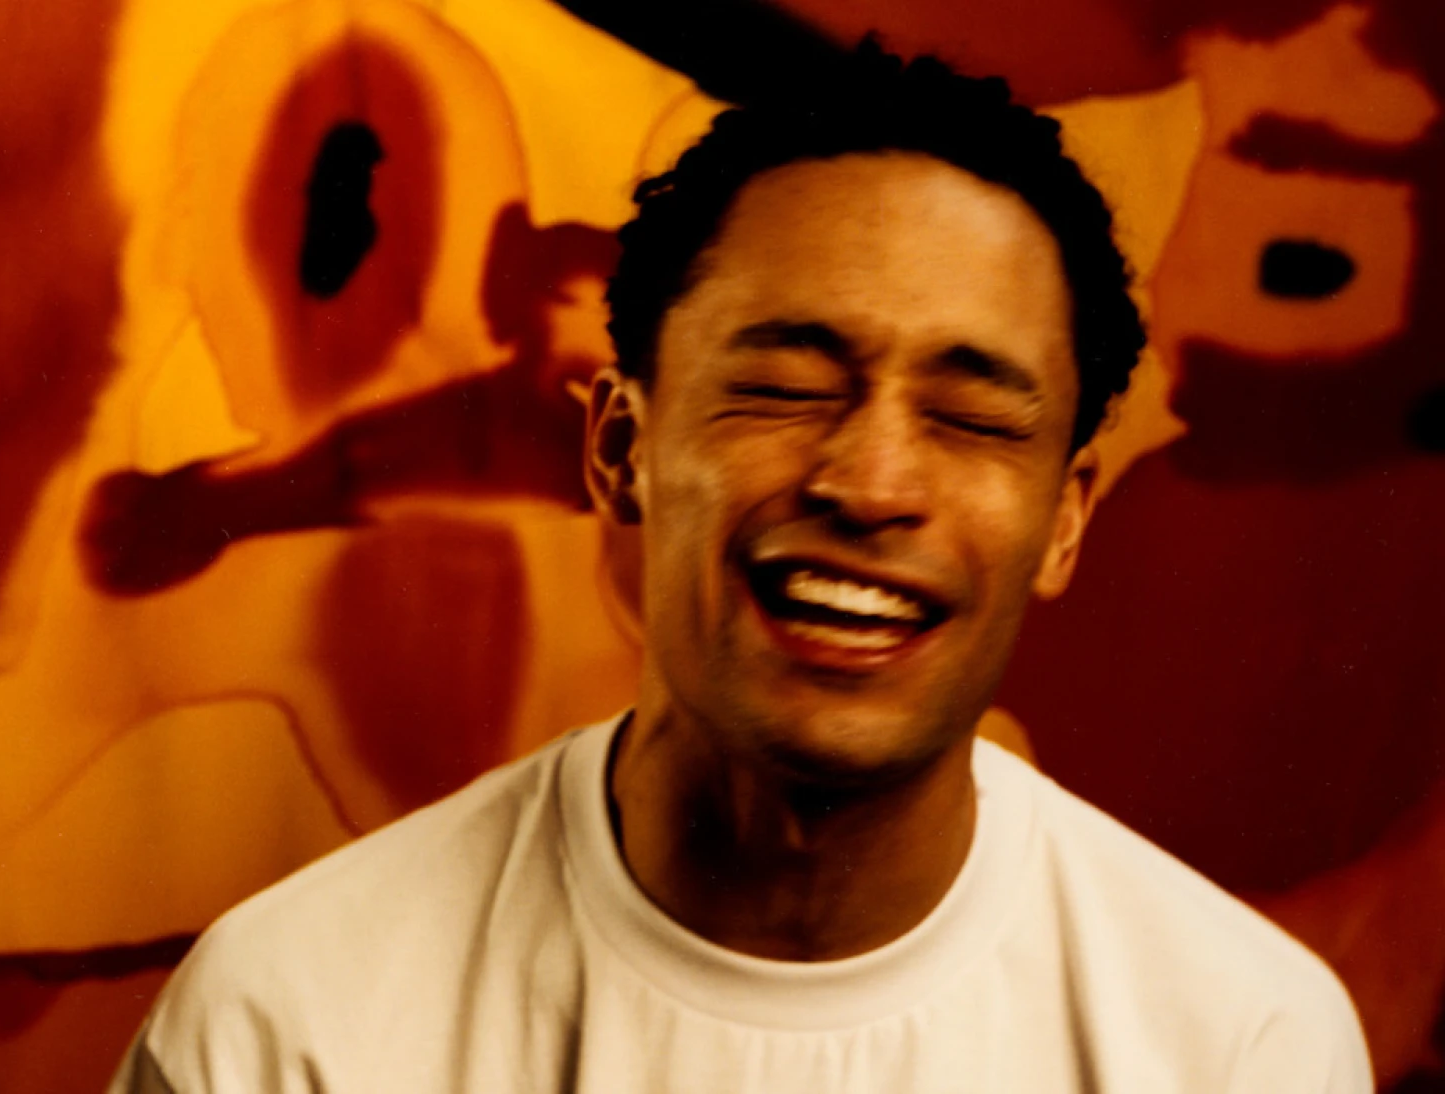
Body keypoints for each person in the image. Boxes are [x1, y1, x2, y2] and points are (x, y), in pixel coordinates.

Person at [109, 44, 1371, 1093]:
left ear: (1062, 521)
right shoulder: (288, 1026)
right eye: (783, 385)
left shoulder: (1238, 1045)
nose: (869, 483)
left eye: (970, 416)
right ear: (621, 448)